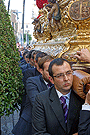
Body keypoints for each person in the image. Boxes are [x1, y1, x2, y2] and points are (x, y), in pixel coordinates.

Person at [32, 58, 84, 135]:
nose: (66, 79)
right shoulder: (41, 99)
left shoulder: (81, 96)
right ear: (51, 80)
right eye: (60, 75)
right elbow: (39, 133)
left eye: (68, 73)